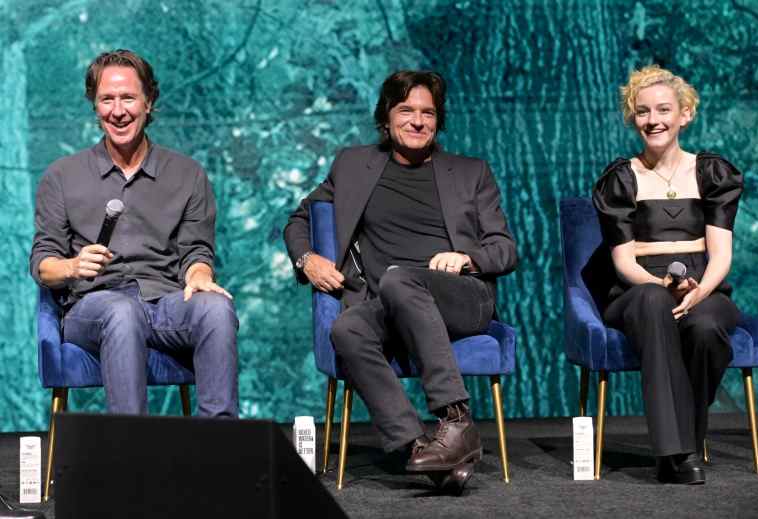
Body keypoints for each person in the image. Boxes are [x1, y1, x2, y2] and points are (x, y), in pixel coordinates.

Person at [285, 70, 517, 491]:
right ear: (386, 117)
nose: (417, 121)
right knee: (347, 327)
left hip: (462, 299)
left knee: (398, 278)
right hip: (393, 299)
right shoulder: (354, 164)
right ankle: (421, 450)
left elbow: (505, 249)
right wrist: (308, 259)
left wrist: (466, 258)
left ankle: (455, 418)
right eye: (406, 110)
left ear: (438, 120)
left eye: (428, 113)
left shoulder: (470, 172)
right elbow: (301, 218)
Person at [29, 49, 238, 417]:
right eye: (106, 99)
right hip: (93, 306)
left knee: (215, 308)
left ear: (149, 101)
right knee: (121, 311)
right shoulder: (62, 176)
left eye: (128, 98)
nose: (118, 110)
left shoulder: (187, 174)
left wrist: (200, 273)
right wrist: (74, 266)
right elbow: (43, 264)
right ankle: (131, 457)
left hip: (163, 302)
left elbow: (196, 251)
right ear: (95, 107)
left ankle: (217, 449)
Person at [593, 65, 743, 484]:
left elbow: (721, 254)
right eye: (642, 112)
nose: (653, 119)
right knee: (656, 301)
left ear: (685, 114)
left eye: (663, 109)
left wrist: (699, 291)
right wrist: (662, 285)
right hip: (640, 287)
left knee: (707, 326)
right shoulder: (620, 179)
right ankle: (677, 452)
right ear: (633, 118)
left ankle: (684, 445)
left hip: (704, 283)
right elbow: (623, 262)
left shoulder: (712, 173)